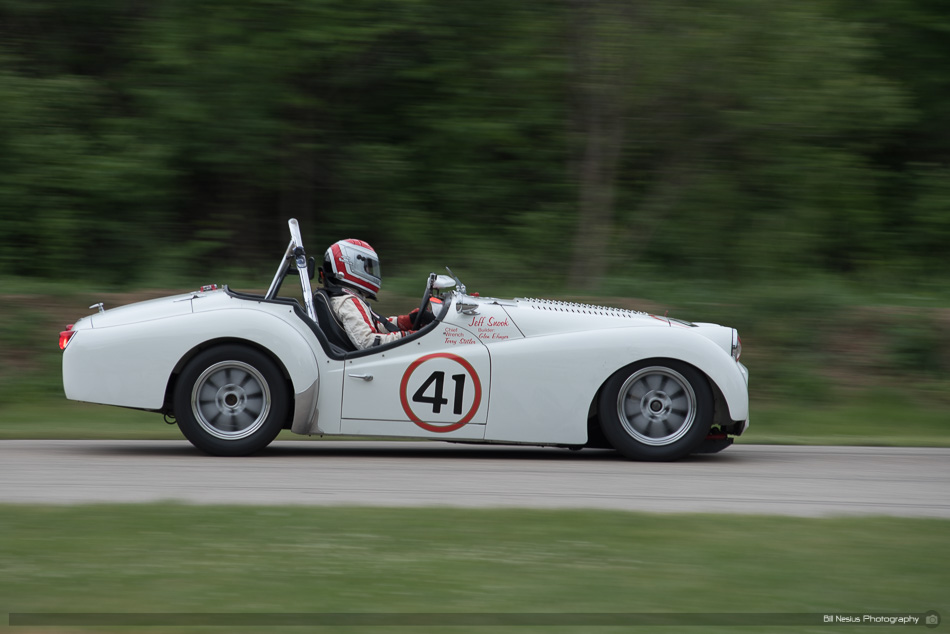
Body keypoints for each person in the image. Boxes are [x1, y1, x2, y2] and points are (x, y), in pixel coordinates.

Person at [320, 238, 435, 349]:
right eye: (367, 268)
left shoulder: (343, 299)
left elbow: (373, 325)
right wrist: (412, 336)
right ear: (352, 267)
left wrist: (406, 321)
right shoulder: (348, 302)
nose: (370, 272)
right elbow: (368, 343)